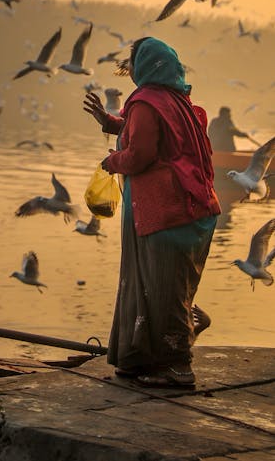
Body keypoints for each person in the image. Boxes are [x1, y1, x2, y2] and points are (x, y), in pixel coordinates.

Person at [83, 36, 221, 388]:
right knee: (162, 285)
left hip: (167, 209)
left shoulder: (146, 102)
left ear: (145, 67)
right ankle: (142, 357)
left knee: (162, 289)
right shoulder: (176, 100)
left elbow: (140, 154)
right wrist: (109, 121)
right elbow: (147, 132)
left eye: (132, 63)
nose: (129, 70)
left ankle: (178, 367)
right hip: (193, 208)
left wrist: (111, 162)